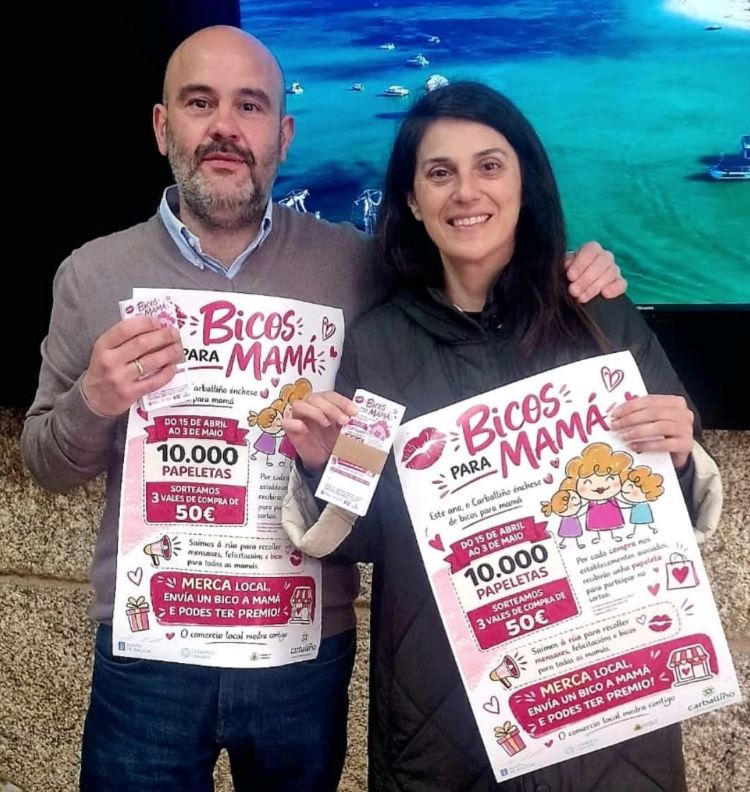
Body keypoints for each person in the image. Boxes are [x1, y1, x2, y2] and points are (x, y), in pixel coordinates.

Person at [20, 23, 626, 792]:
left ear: (283, 134)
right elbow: (46, 463)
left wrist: (573, 272)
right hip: (149, 656)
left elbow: (471, 310)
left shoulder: (358, 266)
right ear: (162, 126)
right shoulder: (92, 273)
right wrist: (94, 401)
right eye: (200, 103)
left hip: (301, 659)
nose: (225, 127)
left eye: (250, 106)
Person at [282, 82, 716, 791]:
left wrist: (681, 449)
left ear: (524, 183)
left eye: (489, 166)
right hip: (444, 723)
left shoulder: (600, 314)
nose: (466, 193)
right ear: (412, 200)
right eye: (439, 172)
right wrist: (323, 467)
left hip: (607, 717)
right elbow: (367, 538)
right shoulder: (377, 345)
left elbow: (675, 493)